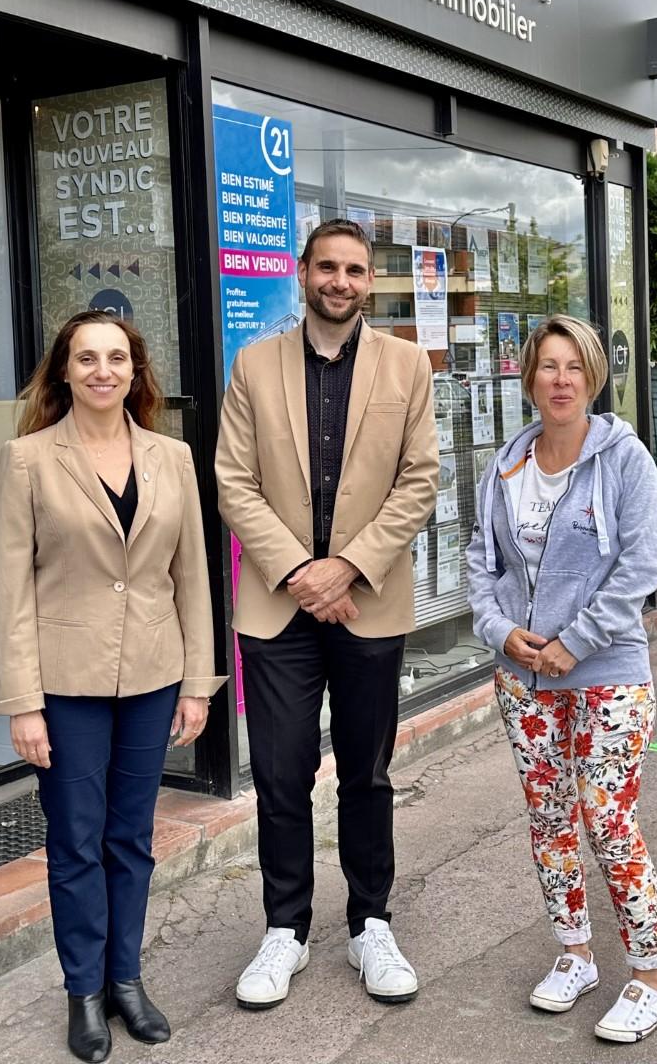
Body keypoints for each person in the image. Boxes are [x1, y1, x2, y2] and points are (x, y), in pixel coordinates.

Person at [0, 311, 225, 1063]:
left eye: (115, 358)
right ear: (63, 371)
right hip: (66, 683)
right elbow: (9, 588)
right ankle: (83, 990)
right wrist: (22, 701)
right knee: (76, 841)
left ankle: (126, 979)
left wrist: (198, 683)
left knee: (131, 838)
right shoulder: (27, 459)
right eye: (85, 358)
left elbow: (193, 576)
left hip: (154, 677)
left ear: (135, 369)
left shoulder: (172, 456)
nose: (101, 370)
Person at [215, 219, 439, 1010]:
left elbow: (420, 480)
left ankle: (370, 923)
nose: (340, 281)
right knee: (279, 773)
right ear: (301, 272)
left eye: (354, 270)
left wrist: (346, 567)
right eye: (327, 267)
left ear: (368, 282)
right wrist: (303, 574)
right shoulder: (253, 364)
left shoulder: (409, 365)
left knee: (367, 772)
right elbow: (233, 482)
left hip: (370, 603)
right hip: (277, 610)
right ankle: (285, 931)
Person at [466, 314, 657, 1045]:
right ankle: (575, 953)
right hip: (522, 679)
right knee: (550, 821)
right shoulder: (506, 463)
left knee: (608, 821)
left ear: (593, 376)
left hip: (606, 673)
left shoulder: (623, 458)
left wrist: (573, 643)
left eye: (574, 366)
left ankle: (649, 976)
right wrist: (502, 633)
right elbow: (478, 565)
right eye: (547, 366)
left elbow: (644, 565)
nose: (560, 380)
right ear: (529, 379)